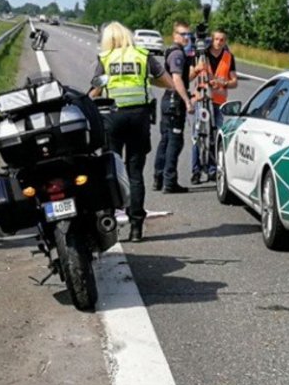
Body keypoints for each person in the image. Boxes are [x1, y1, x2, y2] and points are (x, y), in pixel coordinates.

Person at [89, 22, 159, 241]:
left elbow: (95, 90)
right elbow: (166, 80)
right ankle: (136, 227)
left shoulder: (106, 58)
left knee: (110, 170)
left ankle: (108, 221)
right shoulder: (143, 55)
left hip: (113, 118)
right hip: (139, 118)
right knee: (135, 173)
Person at [189, 28, 237, 183]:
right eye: (216, 39)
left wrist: (223, 83)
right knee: (198, 136)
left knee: (215, 136)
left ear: (225, 41)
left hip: (218, 101)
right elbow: (189, 76)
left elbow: (234, 81)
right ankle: (196, 170)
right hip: (202, 99)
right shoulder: (200, 54)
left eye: (222, 40)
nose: (219, 42)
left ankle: (212, 169)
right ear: (212, 39)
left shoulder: (228, 57)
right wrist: (197, 69)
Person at [152, 19, 194, 194]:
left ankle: (159, 178)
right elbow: (176, 79)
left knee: (165, 140)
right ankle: (169, 181)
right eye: (183, 34)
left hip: (168, 100)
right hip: (174, 102)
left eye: (188, 34)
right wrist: (187, 101)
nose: (186, 37)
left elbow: (181, 78)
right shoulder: (177, 54)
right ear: (174, 35)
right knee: (174, 142)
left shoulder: (173, 51)